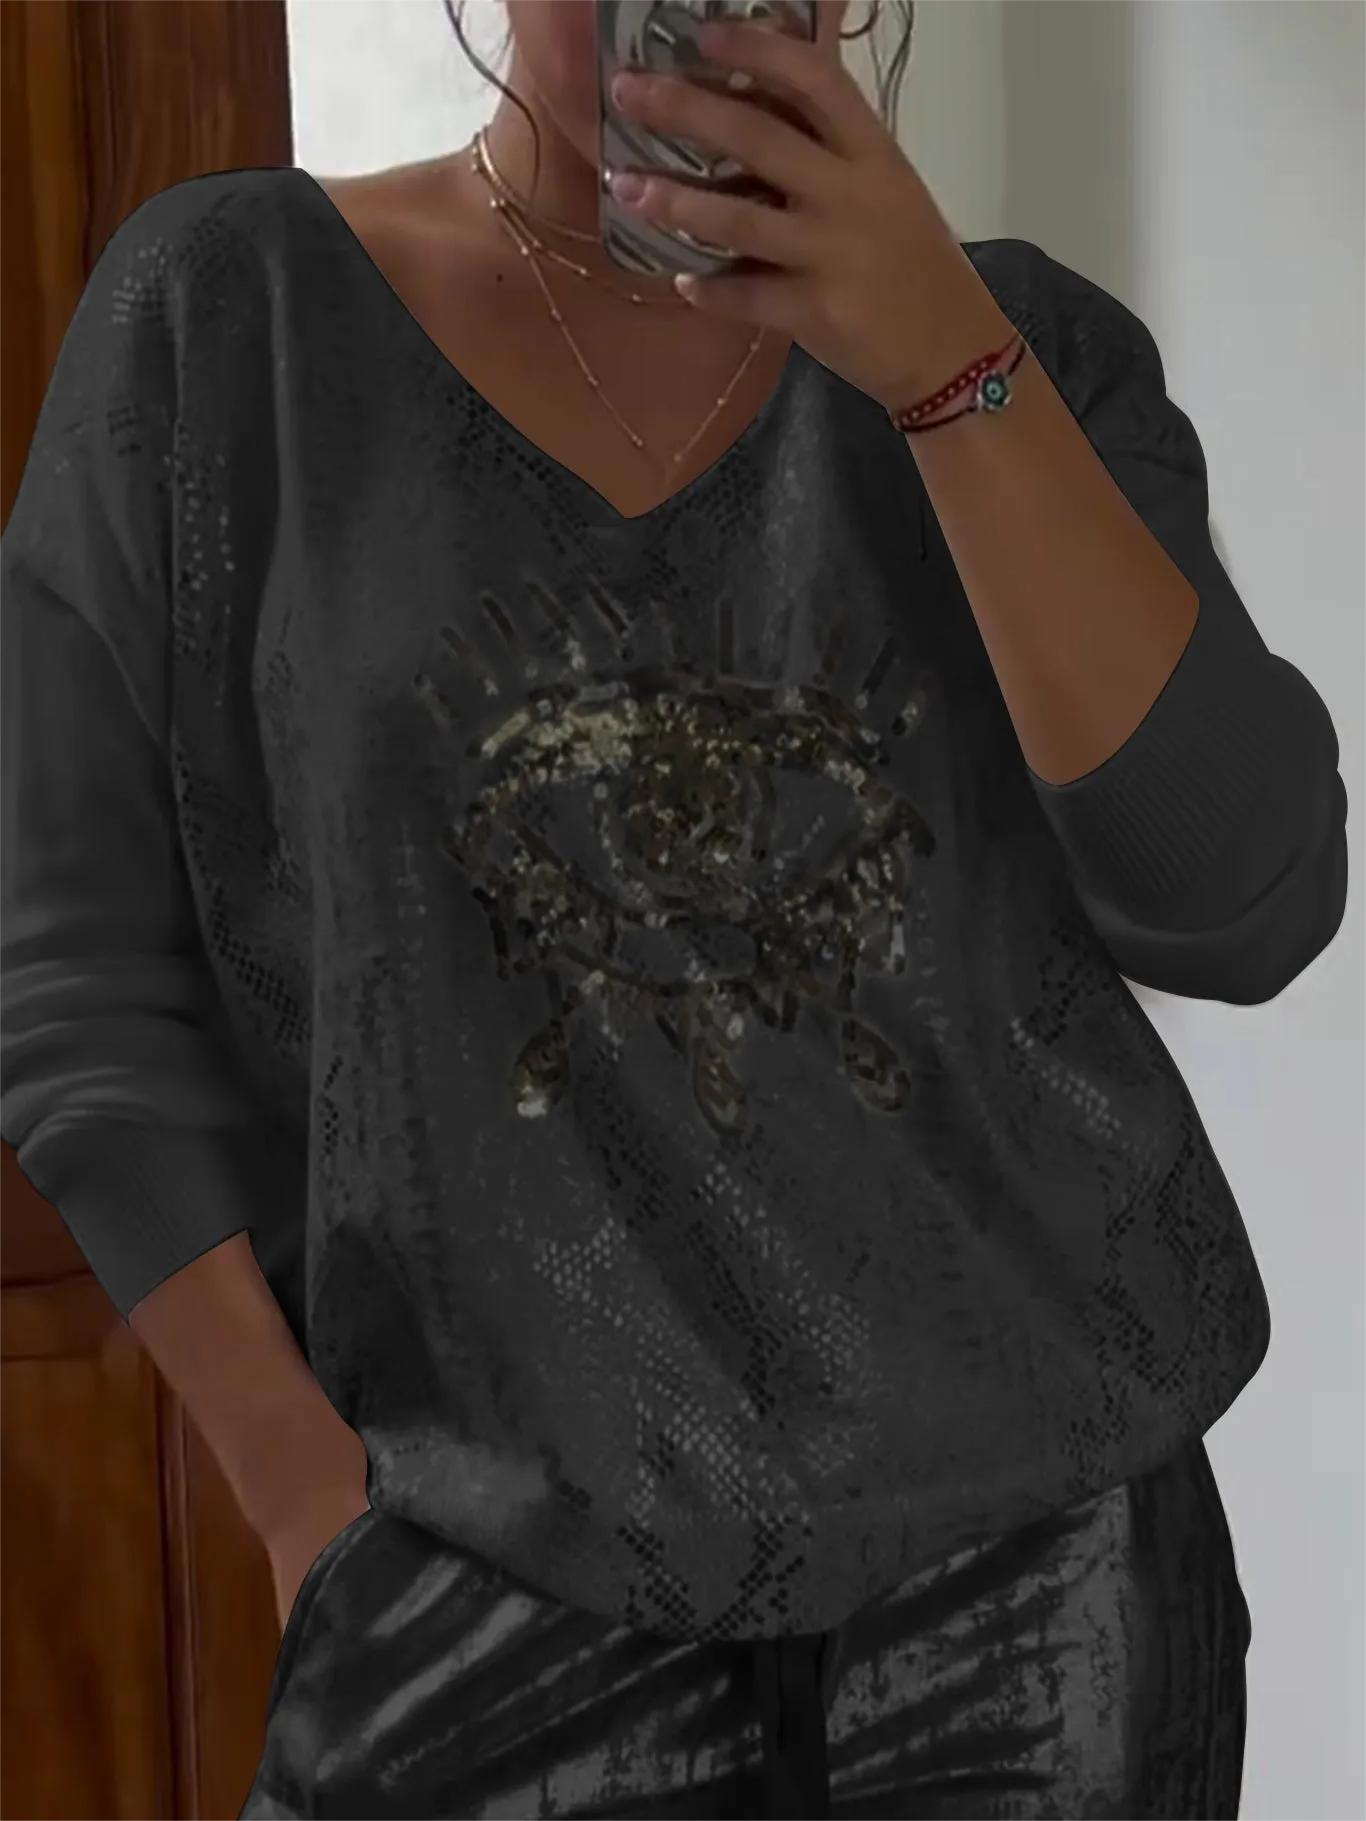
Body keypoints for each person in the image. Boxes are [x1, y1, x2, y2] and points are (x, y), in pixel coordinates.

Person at [0, 0, 1348, 1815]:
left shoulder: (1028, 343)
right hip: (483, 1562)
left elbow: (1244, 899)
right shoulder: (232, 316)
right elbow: (72, 981)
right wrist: (304, 1501)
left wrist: (950, 365)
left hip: (1049, 1579)